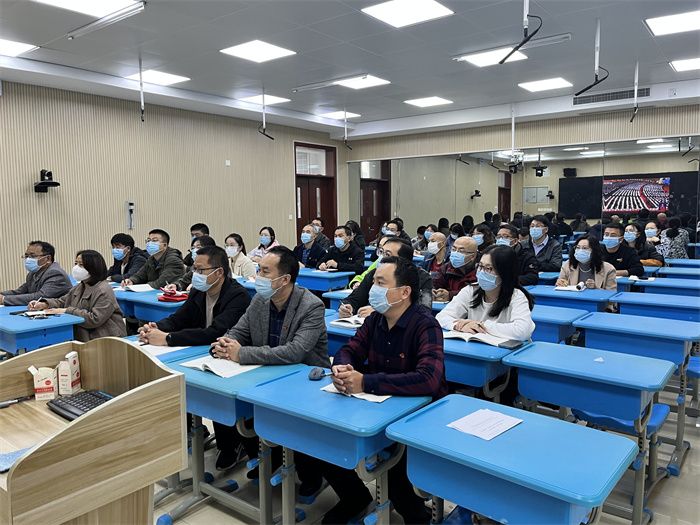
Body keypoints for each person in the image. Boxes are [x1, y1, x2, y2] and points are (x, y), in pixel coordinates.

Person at [301, 256, 447, 525]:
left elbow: (428, 379)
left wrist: (366, 382)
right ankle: (354, 497)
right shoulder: (375, 320)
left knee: (395, 471)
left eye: (381, 283)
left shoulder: (425, 324)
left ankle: (416, 515)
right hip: (377, 405)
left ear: (404, 292)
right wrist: (342, 368)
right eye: (373, 282)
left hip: (417, 413)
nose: (373, 289)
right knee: (324, 437)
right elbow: (349, 350)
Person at [210, 247, 330, 481]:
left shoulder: (311, 306)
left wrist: (241, 353)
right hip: (267, 375)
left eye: (265, 272)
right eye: (259, 270)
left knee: (296, 430)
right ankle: (269, 456)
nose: (258, 276)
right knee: (234, 403)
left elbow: (294, 352)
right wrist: (226, 342)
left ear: (284, 279)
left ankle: (309, 473)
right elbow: (239, 330)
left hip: (305, 380)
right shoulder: (260, 300)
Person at [138, 246, 251, 470]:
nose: (195, 274)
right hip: (198, 354)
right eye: (194, 269)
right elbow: (179, 318)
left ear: (219, 272)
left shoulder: (237, 295)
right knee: (179, 385)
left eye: (200, 270)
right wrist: (156, 327)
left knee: (216, 397)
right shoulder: (199, 291)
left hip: (225, 356)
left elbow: (216, 332)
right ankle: (194, 431)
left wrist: (168, 338)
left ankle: (232, 445)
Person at [436, 245, 535, 341]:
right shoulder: (471, 290)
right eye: (480, 266)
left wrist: (481, 325)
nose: (481, 272)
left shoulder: (517, 296)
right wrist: (459, 326)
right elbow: (441, 317)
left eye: (488, 268)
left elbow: (522, 331)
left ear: (505, 273)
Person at [28, 250, 126, 341]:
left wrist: (66, 310)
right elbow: (63, 301)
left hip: (106, 338)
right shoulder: (81, 285)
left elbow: (94, 319)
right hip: (85, 336)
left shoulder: (103, 290)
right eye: (76, 263)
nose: (76, 268)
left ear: (93, 268)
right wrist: (44, 304)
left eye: (81, 265)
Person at [339, 237, 432, 317]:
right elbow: (355, 298)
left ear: (403, 260)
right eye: (381, 252)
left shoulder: (422, 277)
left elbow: (424, 311)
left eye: (387, 254)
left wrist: (381, 313)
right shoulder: (374, 274)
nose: (381, 258)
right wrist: (347, 307)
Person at [0, 241, 72, 306]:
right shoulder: (33, 273)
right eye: (26, 256)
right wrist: (2, 295)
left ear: (48, 258)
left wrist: (4, 299)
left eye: (32, 256)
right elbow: (20, 291)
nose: (28, 259)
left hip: (61, 312)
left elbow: (40, 296)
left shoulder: (56, 273)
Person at [432, 236, 478, 301]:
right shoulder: (446, 268)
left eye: (461, 251)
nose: (456, 253)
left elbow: (475, 293)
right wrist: (434, 292)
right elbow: (436, 284)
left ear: (472, 256)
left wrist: (450, 295)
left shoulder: (480, 271)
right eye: (453, 249)